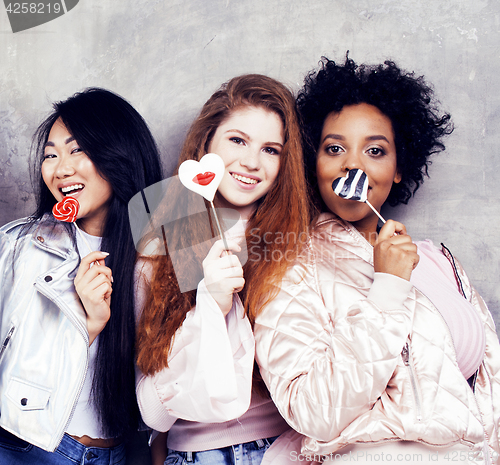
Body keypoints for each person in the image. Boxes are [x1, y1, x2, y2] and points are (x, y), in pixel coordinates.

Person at [254, 56, 500, 464]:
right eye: (335, 148)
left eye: (375, 150)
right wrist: (387, 288)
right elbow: (311, 410)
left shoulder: (440, 260)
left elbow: (491, 389)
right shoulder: (290, 261)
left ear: (399, 167)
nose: (353, 164)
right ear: (312, 162)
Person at [134, 74, 309, 465]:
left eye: (271, 149)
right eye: (237, 140)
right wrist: (209, 307)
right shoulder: (159, 245)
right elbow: (152, 412)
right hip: (195, 454)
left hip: (282, 451)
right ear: (207, 141)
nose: (251, 161)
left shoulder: (296, 244)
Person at [0, 87, 163, 464]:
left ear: (119, 152)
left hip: (122, 454)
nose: (61, 169)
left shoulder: (162, 249)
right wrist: (87, 326)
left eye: (77, 150)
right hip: (31, 449)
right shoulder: (20, 247)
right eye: (50, 155)